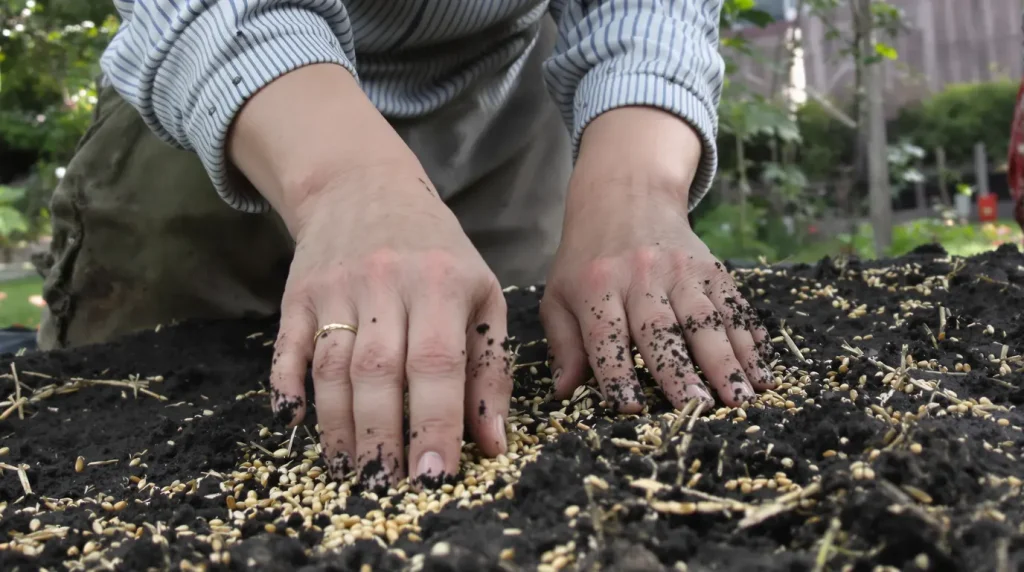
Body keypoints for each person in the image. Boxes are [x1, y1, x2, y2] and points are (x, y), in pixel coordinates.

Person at [35, 1, 775, 488]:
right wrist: (342, 181)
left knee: (491, 388)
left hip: (504, 97)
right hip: (216, 83)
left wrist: (633, 188)